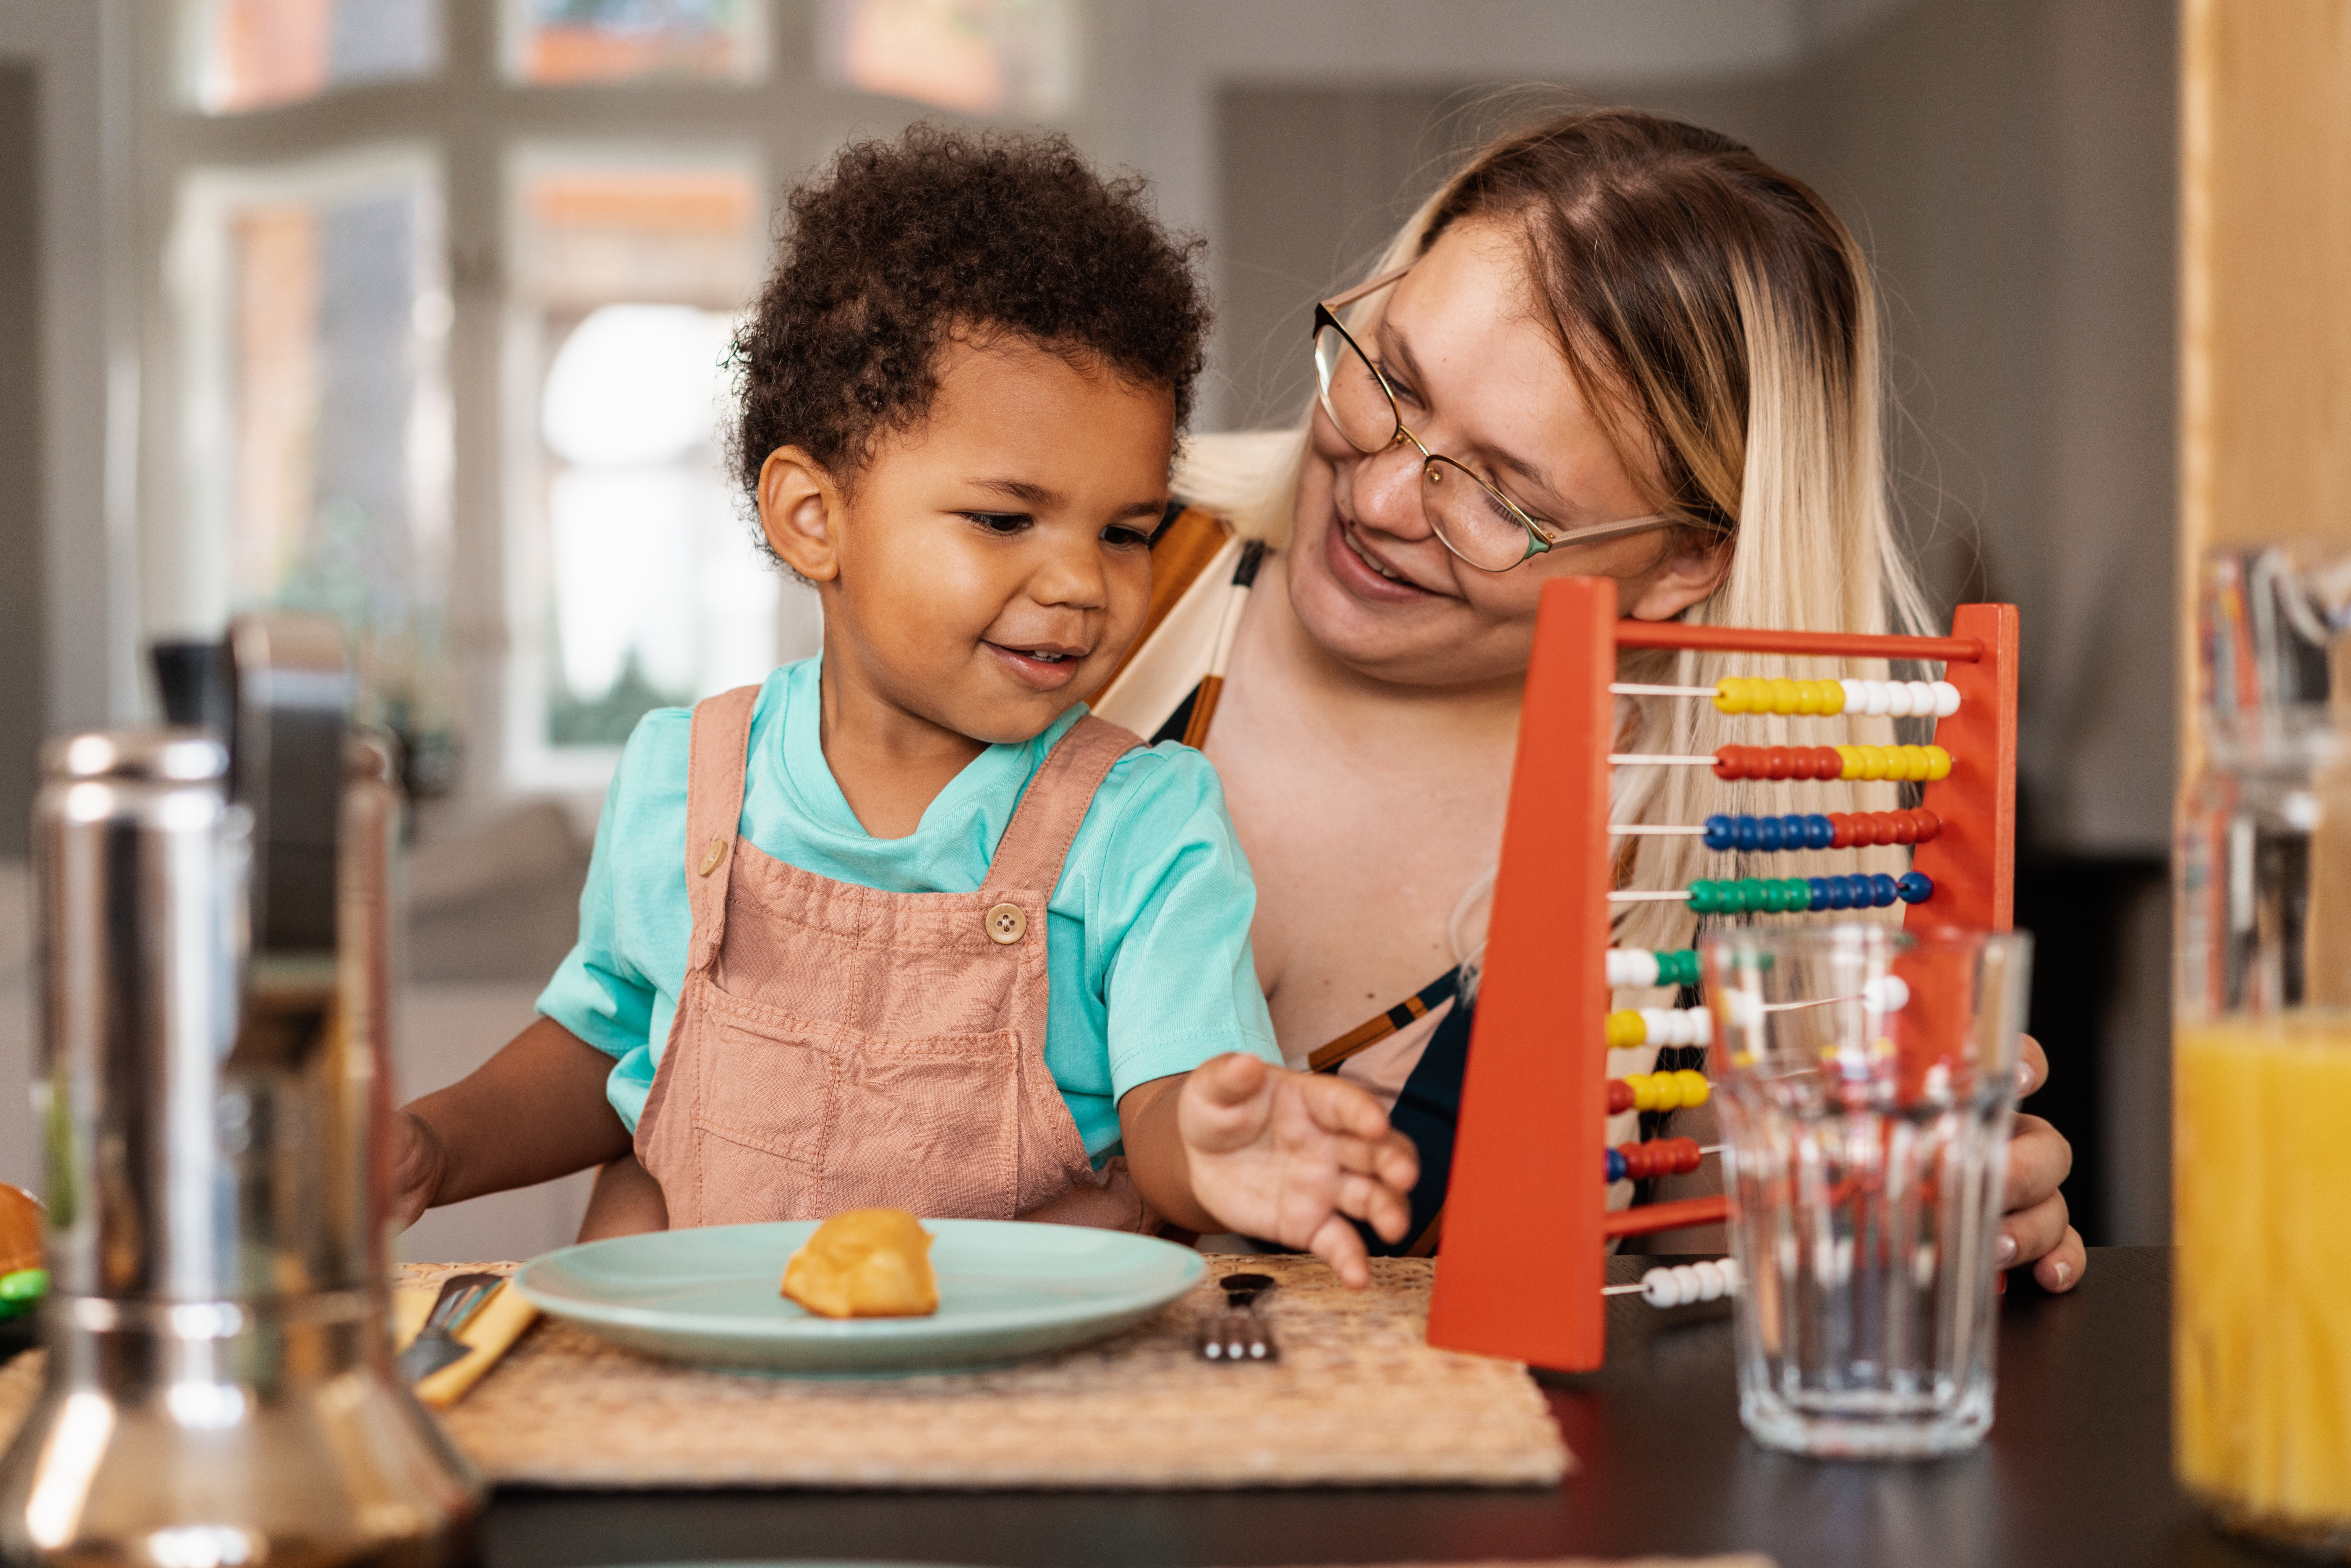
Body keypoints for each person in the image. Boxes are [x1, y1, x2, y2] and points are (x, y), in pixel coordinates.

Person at [388, 126, 1418, 1286]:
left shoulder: (1146, 823)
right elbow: (617, 1043)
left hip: (1009, 1425)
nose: (1082, 583)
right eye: (1003, 519)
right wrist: (436, 1144)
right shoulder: (686, 777)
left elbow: (1172, 1108)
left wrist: (1221, 1144)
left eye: (1124, 532)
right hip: (710, 1400)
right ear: (811, 519)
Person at [1092, 106, 2086, 1290]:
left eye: (1506, 499)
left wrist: (1898, 1225)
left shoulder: (1704, 860)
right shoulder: (1088, 573)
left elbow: (1735, 1274)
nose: (1383, 498)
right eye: (1389, 380)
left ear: (1680, 565)